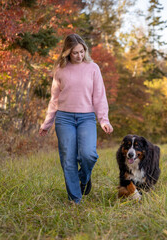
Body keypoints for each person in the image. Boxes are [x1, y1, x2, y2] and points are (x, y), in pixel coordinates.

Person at [39, 33, 113, 204]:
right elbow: (54, 100)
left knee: (89, 155)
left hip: (86, 118)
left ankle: (84, 177)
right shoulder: (60, 70)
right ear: (67, 53)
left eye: (82, 51)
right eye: (75, 53)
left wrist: (104, 120)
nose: (79, 56)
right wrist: (47, 123)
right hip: (64, 118)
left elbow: (99, 96)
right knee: (68, 159)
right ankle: (75, 199)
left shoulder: (93, 68)